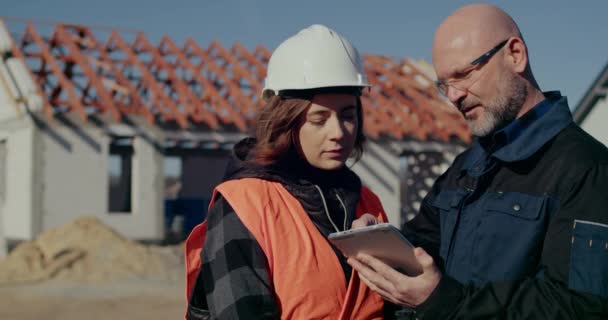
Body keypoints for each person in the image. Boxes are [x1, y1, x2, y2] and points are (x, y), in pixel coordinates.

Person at [348, 3, 608, 319]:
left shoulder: (588, 169)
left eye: (464, 74)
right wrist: (383, 244)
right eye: (444, 84)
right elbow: (423, 245)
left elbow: (578, 306)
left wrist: (441, 300)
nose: (454, 95)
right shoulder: (465, 167)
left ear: (515, 54)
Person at [184, 24, 394, 320]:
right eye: (319, 119)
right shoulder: (244, 207)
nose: (338, 132)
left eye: (348, 115)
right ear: (286, 122)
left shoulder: (369, 205)